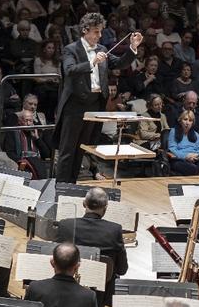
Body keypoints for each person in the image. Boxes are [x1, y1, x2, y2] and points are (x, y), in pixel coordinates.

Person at [54, 13, 141, 182]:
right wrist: (92, 62)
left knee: (82, 149)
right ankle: (61, 188)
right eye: (96, 31)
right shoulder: (71, 49)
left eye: (100, 31)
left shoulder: (101, 49)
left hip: (94, 106)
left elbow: (120, 63)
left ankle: (72, 186)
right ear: (85, 30)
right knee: (67, 150)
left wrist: (132, 48)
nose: (100, 35)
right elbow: (69, 70)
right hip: (74, 106)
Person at [52, 187, 128, 305]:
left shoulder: (65, 225)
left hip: (64, 291)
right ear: (105, 208)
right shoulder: (114, 230)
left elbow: (56, 260)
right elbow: (122, 269)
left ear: (84, 203)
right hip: (99, 297)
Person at [167, 110, 199, 175]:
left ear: (193, 123)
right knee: (194, 169)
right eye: (185, 119)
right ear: (180, 121)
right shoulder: (173, 131)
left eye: (190, 120)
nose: (187, 123)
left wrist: (196, 155)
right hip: (179, 160)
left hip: (194, 159)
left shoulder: (196, 134)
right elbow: (172, 149)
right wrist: (186, 156)